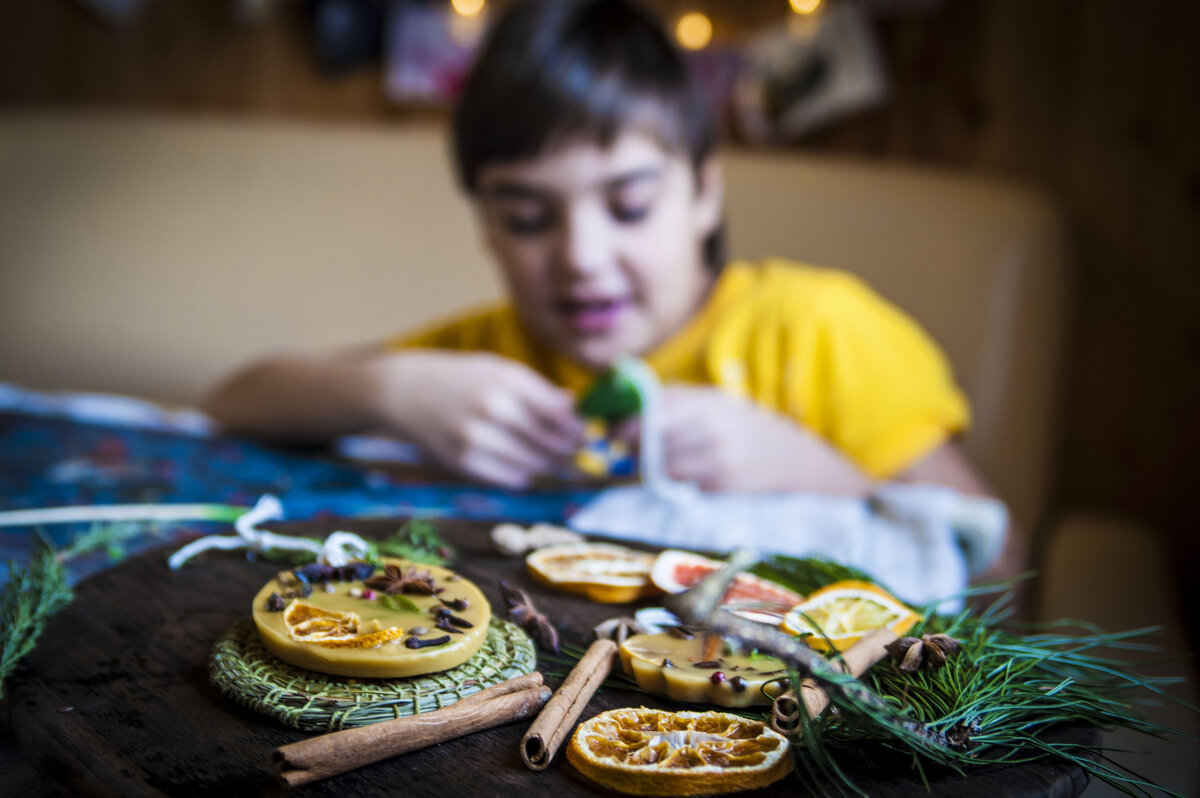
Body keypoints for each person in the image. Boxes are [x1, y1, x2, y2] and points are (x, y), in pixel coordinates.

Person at [204, 0, 1020, 578]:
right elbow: (235, 400)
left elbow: (1001, 575)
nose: (583, 258)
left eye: (629, 205)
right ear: (485, 225)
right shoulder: (485, 358)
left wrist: (811, 471)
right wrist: (391, 388)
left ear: (704, 192)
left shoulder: (814, 328)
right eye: (527, 218)